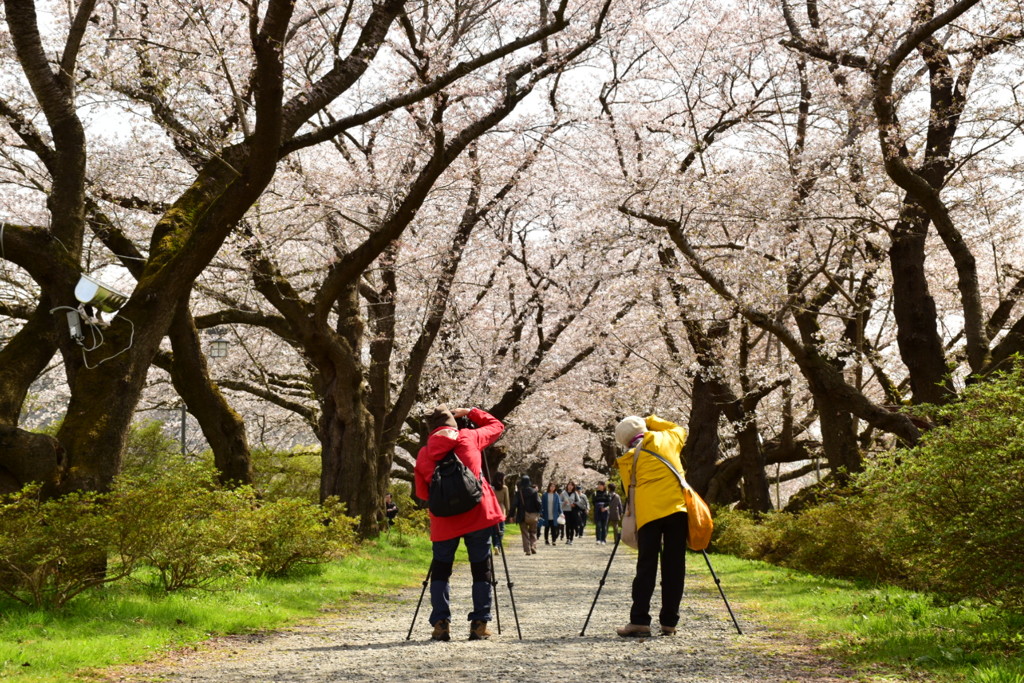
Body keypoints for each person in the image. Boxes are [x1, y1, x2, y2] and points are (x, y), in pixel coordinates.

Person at [415, 405, 505, 642]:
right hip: (478, 516)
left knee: (441, 570)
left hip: (444, 522)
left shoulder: (425, 453)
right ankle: (479, 624)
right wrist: (471, 412)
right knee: (481, 569)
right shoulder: (470, 437)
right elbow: (497, 426)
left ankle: (441, 624)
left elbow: (423, 494)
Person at [613, 414, 689, 638]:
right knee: (675, 566)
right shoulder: (670, 438)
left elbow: (629, 491)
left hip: (648, 515)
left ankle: (640, 620)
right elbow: (679, 428)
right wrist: (651, 419)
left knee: (646, 566)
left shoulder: (627, 458)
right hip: (677, 510)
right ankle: (669, 622)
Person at [507, 475, 541, 555]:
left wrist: (511, 515)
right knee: (533, 532)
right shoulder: (534, 492)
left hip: (522, 516)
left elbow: (514, 505)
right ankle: (533, 545)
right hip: (533, 516)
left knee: (524, 533)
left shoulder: (519, 493)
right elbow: (539, 503)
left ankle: (527, 550)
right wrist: (538, 512)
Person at [560, 481, 586, 546]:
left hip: (573, 511)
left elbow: (579, 502)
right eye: (569, 485)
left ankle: (571, 539)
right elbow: (559, 502)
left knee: (572, 525)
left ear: (573, 486)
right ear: (567, 486)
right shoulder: (563, 493)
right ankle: (567, 538)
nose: (570, 486)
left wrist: (574, 504)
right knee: (567, 525)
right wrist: (564, 503)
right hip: (566, 511)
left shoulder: (575, 493)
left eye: (572, 485)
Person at [491, 471, 509, 554]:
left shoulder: (491, 488)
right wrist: (508, 511)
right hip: (501, 510)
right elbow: (507, 501)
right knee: (501, 529)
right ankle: (498, 545)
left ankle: (495, 545)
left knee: (494, 530)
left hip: (492, 510)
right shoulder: (504, 488)